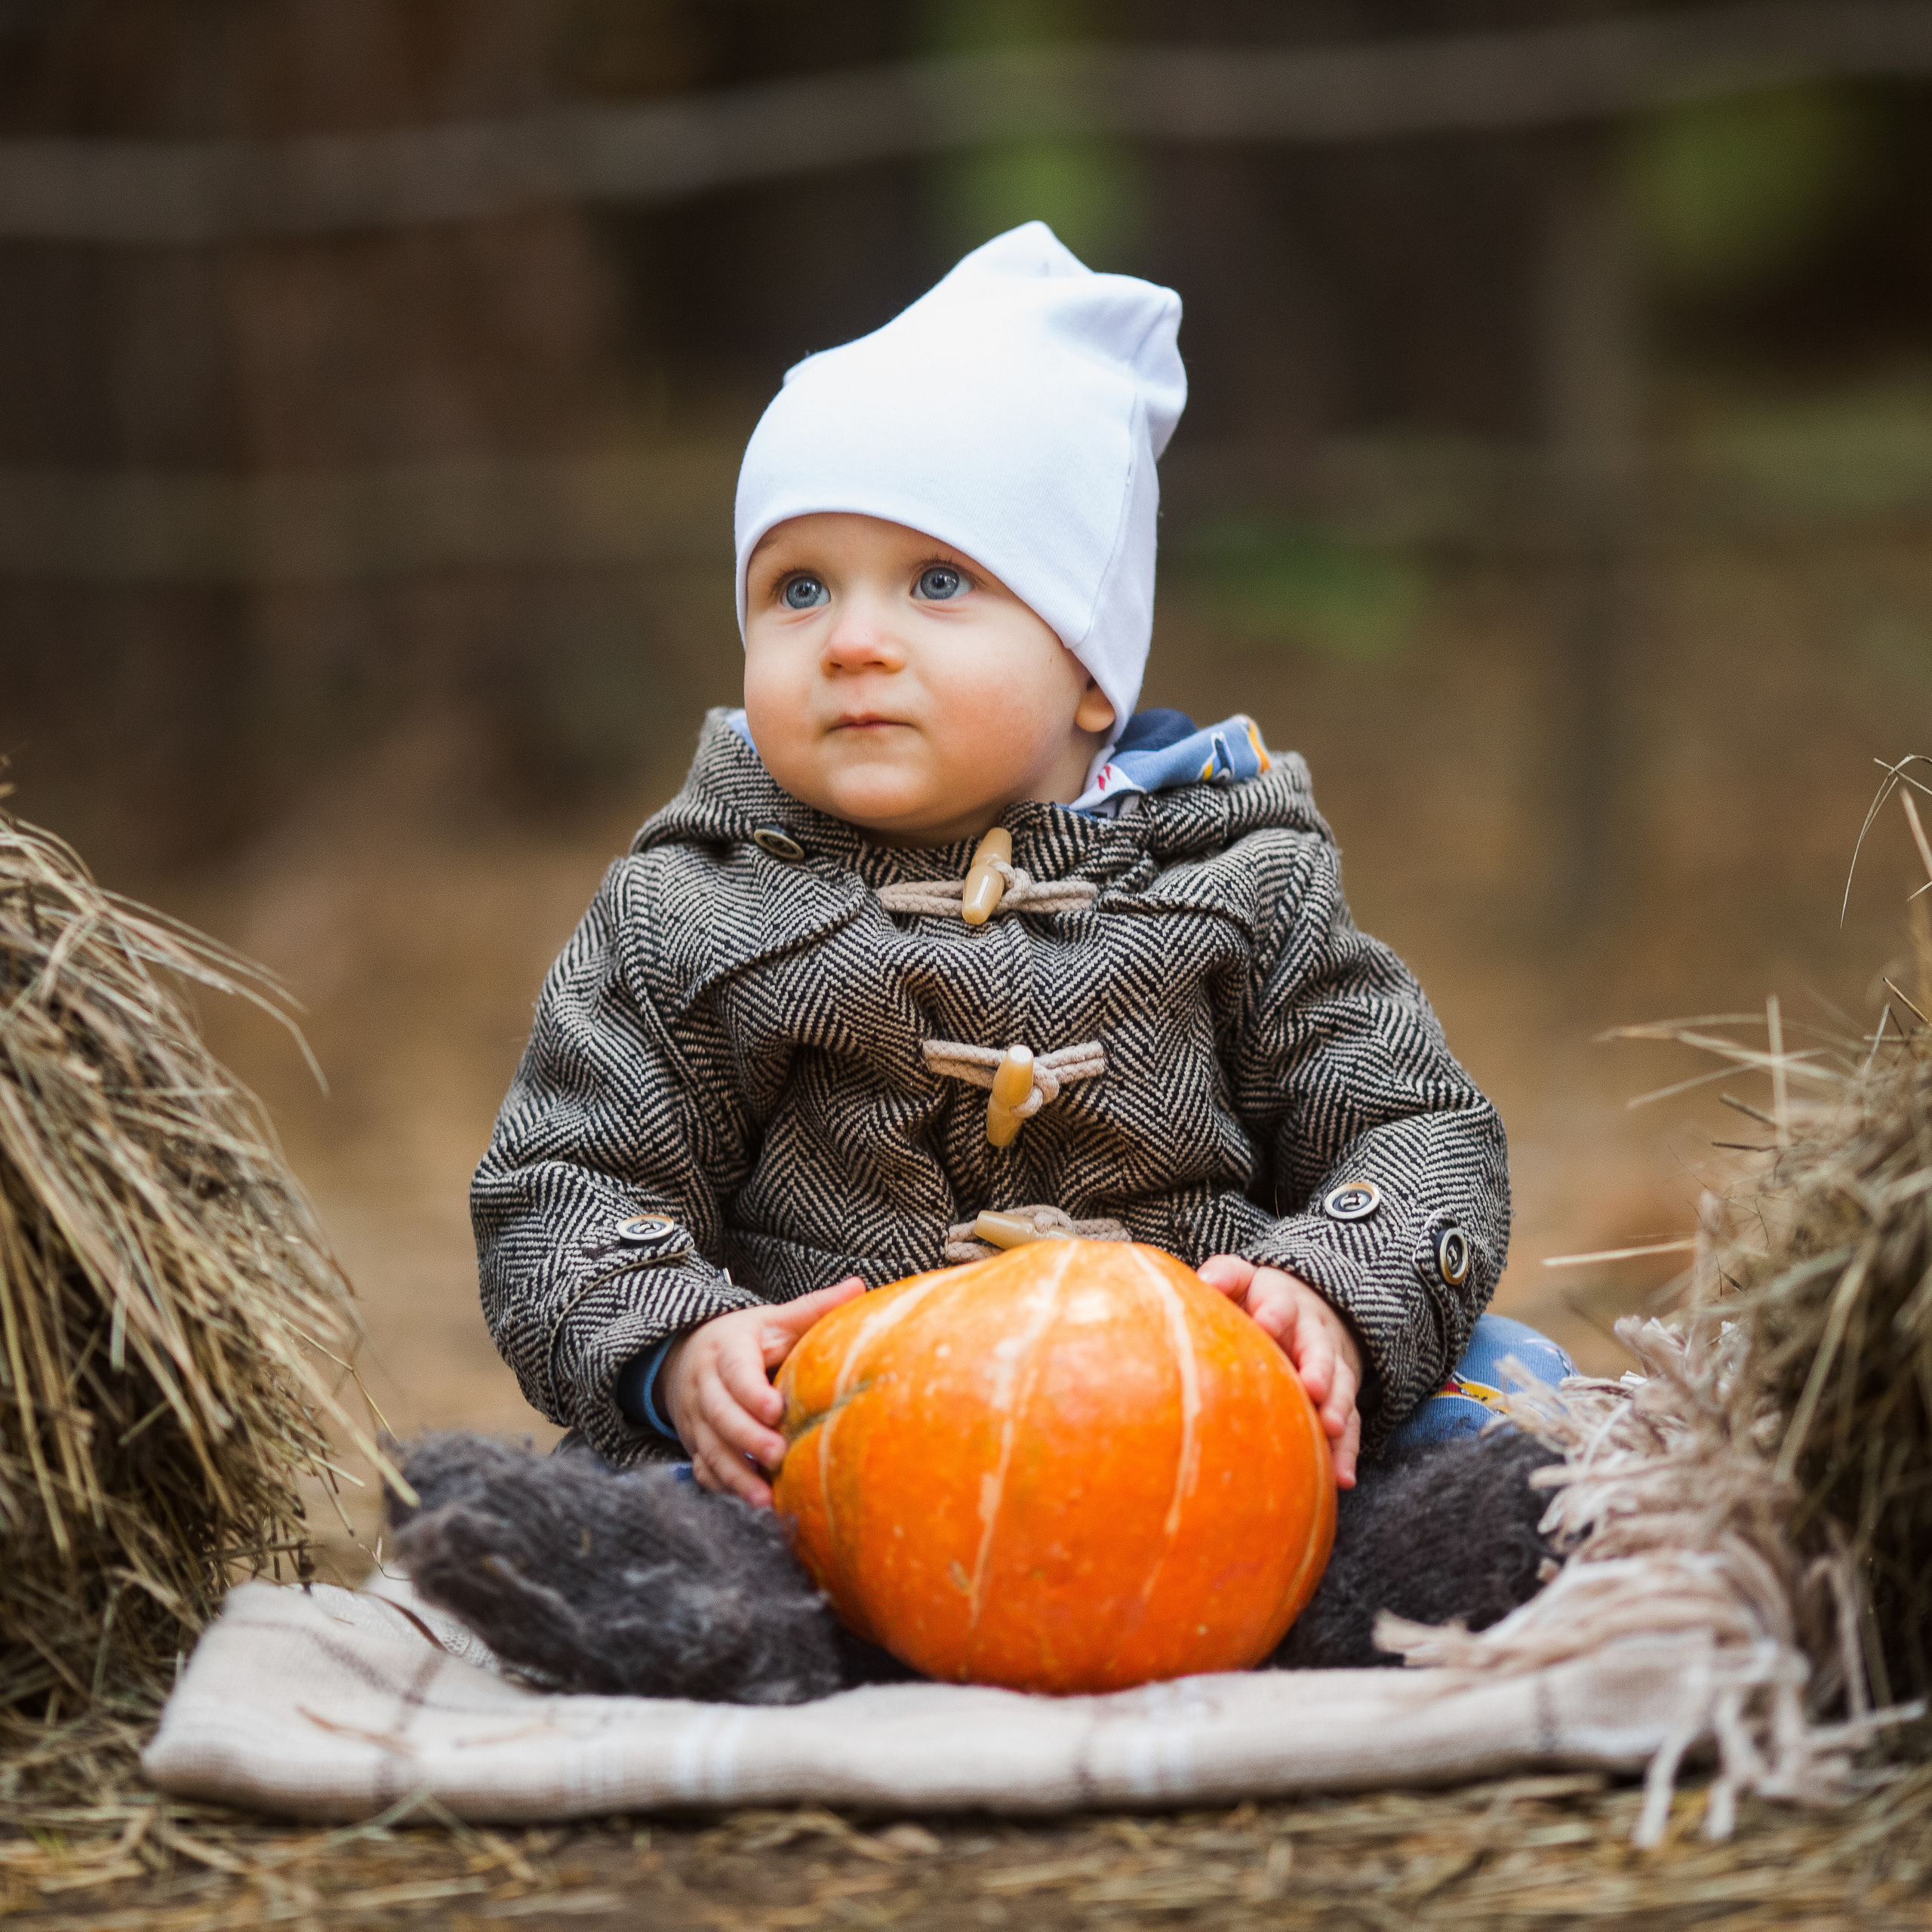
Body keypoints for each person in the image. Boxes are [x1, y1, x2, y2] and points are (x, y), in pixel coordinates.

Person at [468, 223, 1551, 1529]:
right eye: (798, 589)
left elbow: (1417, 1125)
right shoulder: (692, 905)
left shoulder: (1238, 877)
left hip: (1190, 1434)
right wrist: (676, 1350)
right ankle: (708, 1603)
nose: (855, 643)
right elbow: (565, 1182)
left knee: (1515, 1394)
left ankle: (1427, 1555)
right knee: (605, 1500)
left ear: (1094, 670)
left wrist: (1329, 1290)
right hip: (836, 1449)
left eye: (936, 582)